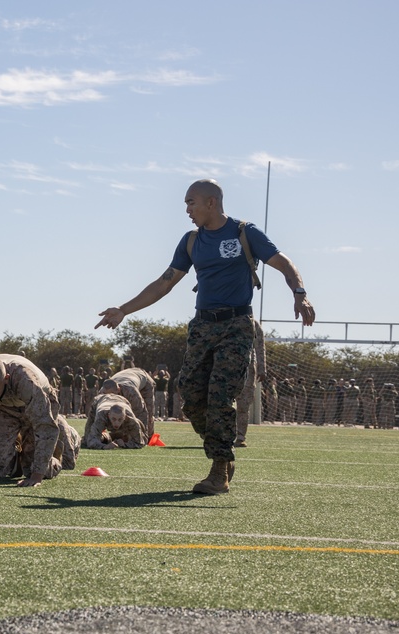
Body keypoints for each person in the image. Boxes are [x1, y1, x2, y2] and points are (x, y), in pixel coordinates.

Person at [95, 179, 315, 495]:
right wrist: (124, 310)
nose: (187, 210)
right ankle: (221, 451)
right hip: (201, 326)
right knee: (191, 394)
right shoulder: (190, 241)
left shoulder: (244, 232)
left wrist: (300, 293)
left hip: (236, 325)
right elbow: (164, 282)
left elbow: (284, 263)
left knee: (220, 395)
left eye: (191, 203)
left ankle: (219, 468)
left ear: (211, 202)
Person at [0, 355, 79, 487]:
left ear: (6, 378)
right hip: (2, 407)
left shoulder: (25, 380)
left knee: (32, 468)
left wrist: (37, 476)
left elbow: (44, 426)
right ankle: (19, 447)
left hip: (37, 405)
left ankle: (67, 435)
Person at [234, 318, 266, 446]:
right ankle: (222, 436)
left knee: (244, 404)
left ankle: (240, 437)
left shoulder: (254, 323)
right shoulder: (226, 318)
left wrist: (262, 367)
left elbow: (260, 345)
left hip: (248, 367)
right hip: (226, 365)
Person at [98, 367, 156, 437]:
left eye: (113, 394)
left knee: (148, 412)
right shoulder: (101, 393)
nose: (110, 397)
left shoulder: (130, 392)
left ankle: (148, 437)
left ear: (118, 390)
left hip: (144, 381)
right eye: (107, 395)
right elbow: (96, 414)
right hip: (125, 376)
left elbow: (142, 413)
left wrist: (142, 437)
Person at [81, 393, 147, 449]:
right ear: (109, 415)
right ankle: (105, 437)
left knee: (132, 435)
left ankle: (111, 436)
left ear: (125, 417)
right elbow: (91, 441)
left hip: (122, 400)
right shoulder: (101, 416)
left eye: (120, 419)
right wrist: (105, 446)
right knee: (86, 440)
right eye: (114, 419)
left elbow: (140, 443)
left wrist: (125, 444)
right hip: (101, 400)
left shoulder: (131, 419)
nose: (116, 423)